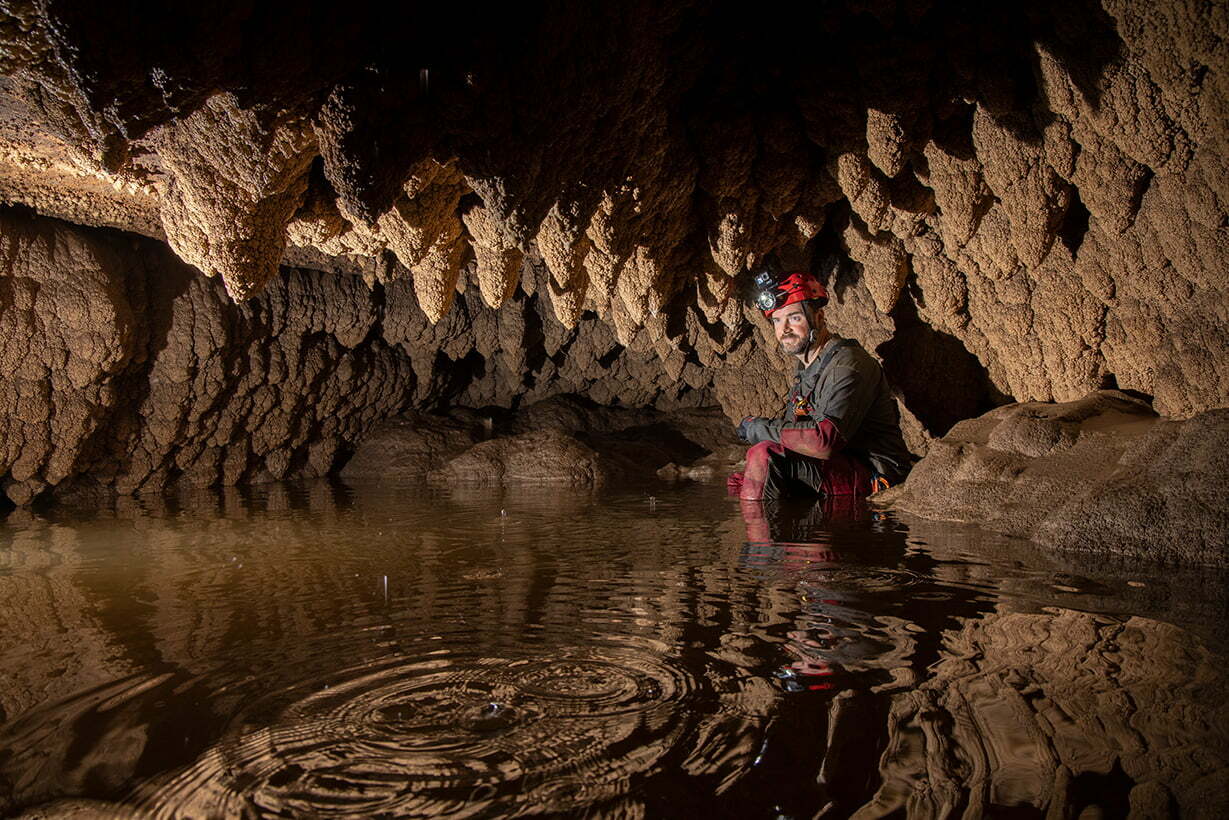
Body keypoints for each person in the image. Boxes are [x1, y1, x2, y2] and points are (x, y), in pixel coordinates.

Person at [727, 269, 912, 501]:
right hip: (840, 467)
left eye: (794, 318)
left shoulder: (848, 364)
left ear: (819, 318)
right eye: (777, 320)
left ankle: (759, 537)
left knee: (762, 455)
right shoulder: (807, 372)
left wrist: (756, 428)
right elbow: (793, 433)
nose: (784, 329)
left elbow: (823, 441)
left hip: (876, 474)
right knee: (742, 479)